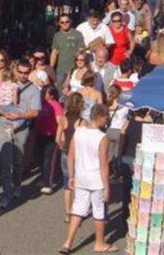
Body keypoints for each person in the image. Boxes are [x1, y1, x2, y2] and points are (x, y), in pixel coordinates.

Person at [59, 103, 117, 254]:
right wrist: (107, 187)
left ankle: (67, 243)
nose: (106, 121)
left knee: (78, 209)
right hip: (96, 178)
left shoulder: (79, 132)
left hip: (80, 176)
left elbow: (71, 155)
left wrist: (71, 176)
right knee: (98, 211)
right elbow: (103, 164)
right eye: (106, 118)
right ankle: (99, 243)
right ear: (101, 117)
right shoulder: (102, 137)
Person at [0, 58, 41, 209]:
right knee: (5, 162)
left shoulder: (34, 90)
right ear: (16, 70)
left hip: (21, 128)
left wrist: (19, 116)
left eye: (26, 73)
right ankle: (7, 195)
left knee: (18, 161)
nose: (23, 75)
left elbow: (35, 112)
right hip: (4, 126)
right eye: (20, 72)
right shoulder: (7, 84)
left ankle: (17, 185)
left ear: (30, 72)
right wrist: (4, 114)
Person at [56, 92, 85, 224]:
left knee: (67, 185)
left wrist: (63, 145)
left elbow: (57, 139)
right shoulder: (82, 121)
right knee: (78, 186)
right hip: (78, 156)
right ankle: (76, 213)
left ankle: (67, 213)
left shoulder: (62, 118)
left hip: (66, 154)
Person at [34, 85, 63, 194]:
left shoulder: (56, 105)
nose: (42, 94)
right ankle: (44, 177)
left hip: (51, 135)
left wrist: (58, 137)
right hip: (40, 134)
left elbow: (60, 122)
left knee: (48, 160)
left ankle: (48, 184)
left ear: (51, 95)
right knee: (40, 158)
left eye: (45, 92)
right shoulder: (40, 104)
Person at [50, 15, 86, 90]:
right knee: (60, 93)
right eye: (62, 22)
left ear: (70, 22)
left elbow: (82, 50)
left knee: (74, 92)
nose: (65, 24)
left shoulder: (77, 34)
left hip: (75, 69)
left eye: (67, 21)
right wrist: (51, 68)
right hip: (61, 70)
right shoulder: (57, 36)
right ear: (59, 24)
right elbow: (54, 52)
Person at [0, 64, 21, 137]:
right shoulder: (15, 85)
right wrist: (16, 105)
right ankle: (13, 127)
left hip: (0, 103)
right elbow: (15, 97)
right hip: (8, 104)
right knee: (20, 114)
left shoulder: (2, 84)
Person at [105, 84, 129, 176]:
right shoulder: (124, 106)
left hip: (109, 130)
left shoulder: (107, 105)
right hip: (119, 132)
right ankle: (117, 172)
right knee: (118, 153)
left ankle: (108, 171)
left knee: (109, 154)